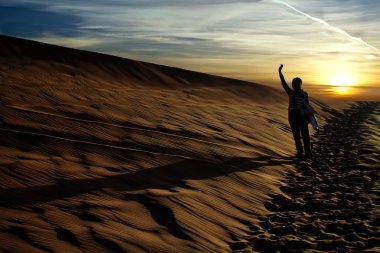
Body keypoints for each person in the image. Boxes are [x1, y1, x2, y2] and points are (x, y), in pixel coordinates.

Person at [278, 64, 313, 159]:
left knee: (305, 135)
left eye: (297, 83)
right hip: (293, 117)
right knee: (297, 136)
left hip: (301, 116)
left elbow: (307, 106)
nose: (295, 84)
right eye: (294, 83)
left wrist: (309, 117)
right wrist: (280, 73)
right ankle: (300, 153)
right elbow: (284, 83)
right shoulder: (291, 93)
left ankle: (308, 153)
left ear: (300, 84)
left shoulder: (304, 94)